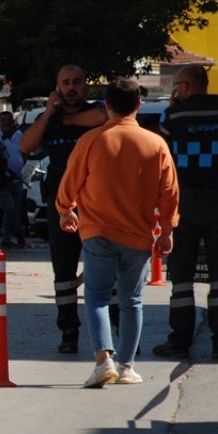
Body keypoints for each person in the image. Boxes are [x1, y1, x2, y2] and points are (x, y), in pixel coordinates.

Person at [55, 77, 179, 388]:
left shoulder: (91, 140)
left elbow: (71, 180)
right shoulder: (156, 144)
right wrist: (167, 229)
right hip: (138, 235)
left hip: (97, 231)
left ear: (106, 106)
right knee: (131, 301)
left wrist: (65, 209)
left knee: (96, 298)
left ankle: (102, 360)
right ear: (139, 105)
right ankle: (126, 366)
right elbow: (169, 192)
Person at [152, 64, 218, 359]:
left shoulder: (172, 116)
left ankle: (179, 340)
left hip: (184, 203)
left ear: (185, 86)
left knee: (181, 274)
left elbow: (162, 162)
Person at [19, 65, 111, 353]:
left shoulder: (98, 112)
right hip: (62, 207)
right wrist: (48, 113)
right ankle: (69, 331)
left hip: (98, 206)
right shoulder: (49, 120)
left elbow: (105, 116)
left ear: (86, 86)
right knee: (64, 272)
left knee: (108, 269)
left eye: (77, 82)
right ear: (57, 88)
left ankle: (115, 331)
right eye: (65, 83)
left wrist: (70, 120)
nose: (71, 88)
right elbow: (25, 146)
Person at [0, 111, 26, 248]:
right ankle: (16, 234)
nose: (7, 122)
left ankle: (8, 236)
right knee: (10, 209)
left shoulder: (18, 134)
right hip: (2, 179)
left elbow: (23, 152)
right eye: (4, 120)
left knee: (15, 210)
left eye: (9, 120)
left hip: (18, 178)